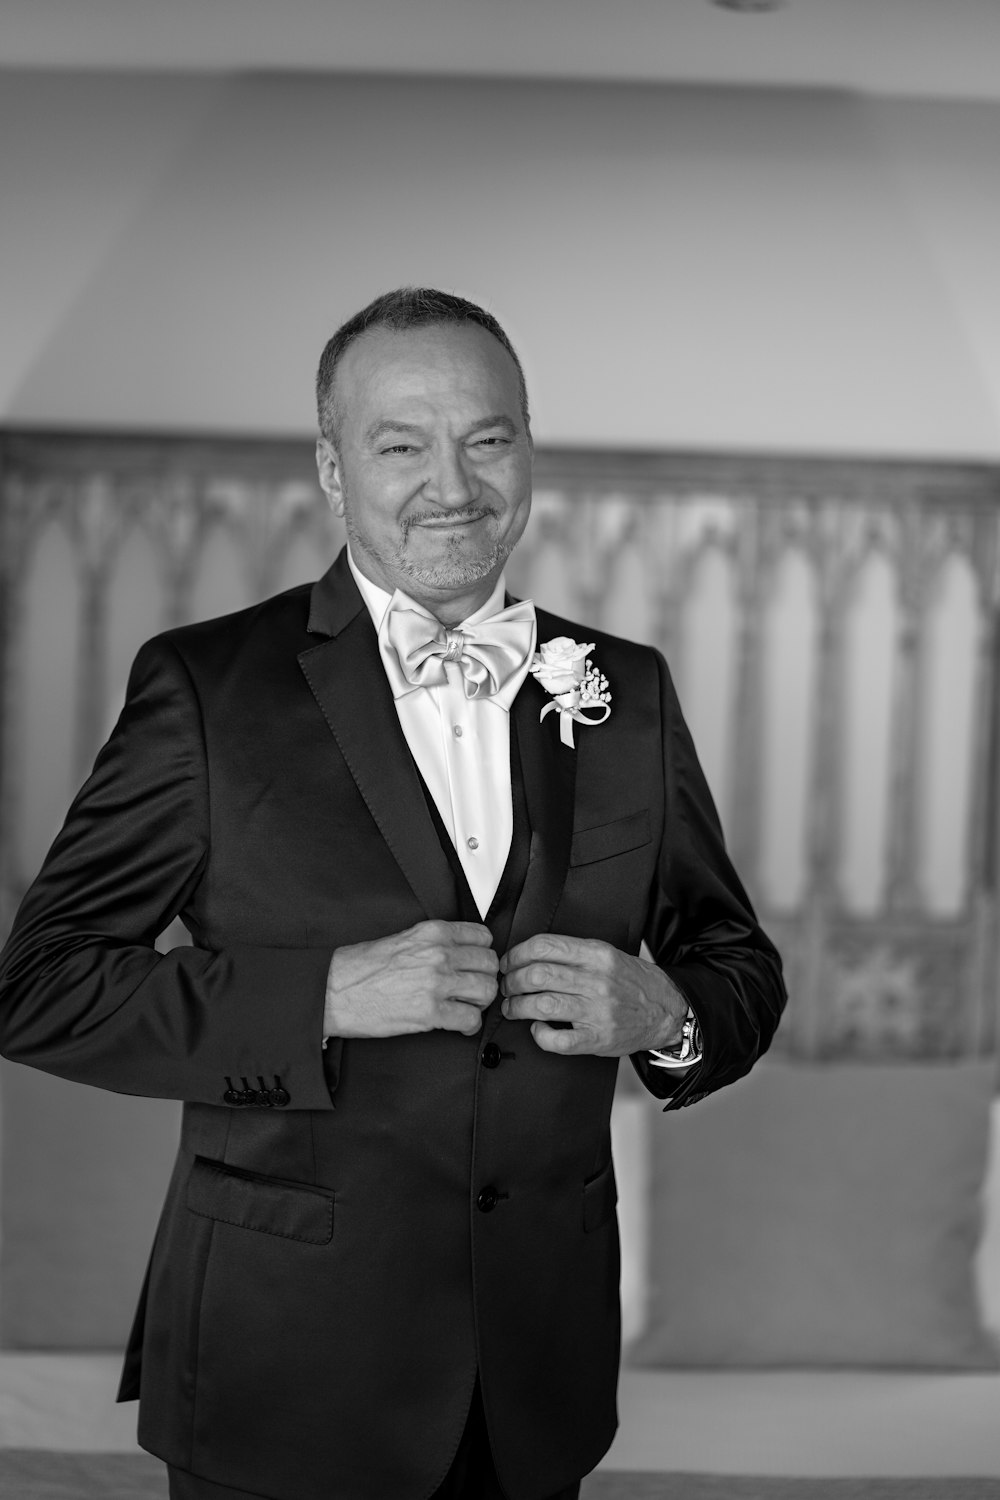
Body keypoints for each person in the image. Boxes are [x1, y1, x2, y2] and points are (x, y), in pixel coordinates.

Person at [0, 287, 785, 1500]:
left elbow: (735, 961)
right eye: (400, 443)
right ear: (331, 467)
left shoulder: (623, 689)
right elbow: (40, 987)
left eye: (487, 438)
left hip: (537, 1376)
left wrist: (664, 1019)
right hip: (280, 1359)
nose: (453, 485)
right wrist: (319, 996)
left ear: (528, 447)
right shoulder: (207, 689)